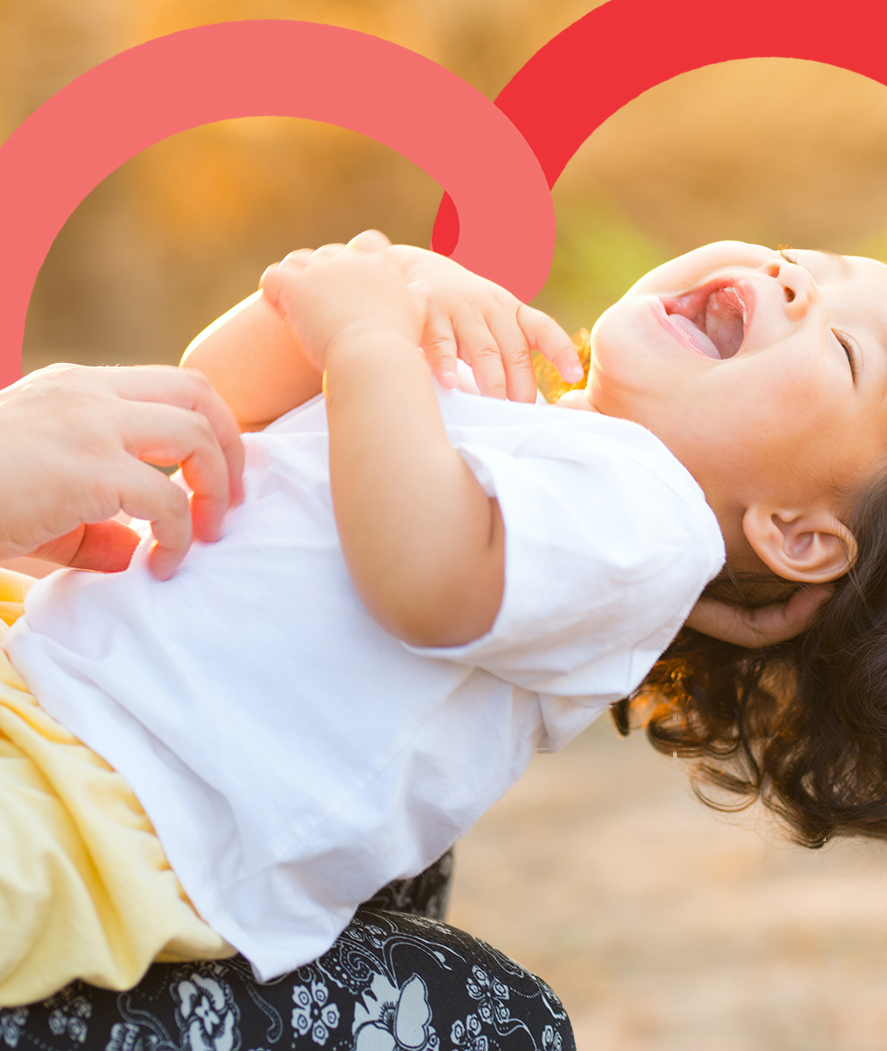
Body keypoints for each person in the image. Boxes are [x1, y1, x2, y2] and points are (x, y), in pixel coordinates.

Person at [4, 229, 887, 1006]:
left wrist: (374, 344)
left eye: (846, 350)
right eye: (814, 262)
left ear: (796, 534)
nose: (793, 281)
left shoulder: (648, 521)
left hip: (120, 802)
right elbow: (219, 402)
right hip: (54, 685)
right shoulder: (517, 406)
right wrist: (359, 297)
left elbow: (423, 579)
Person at [0, 364, 576, 1049]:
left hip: (60, 731)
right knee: (490, 1016)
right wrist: (365, 333)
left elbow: (220, 395)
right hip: (65, 803)